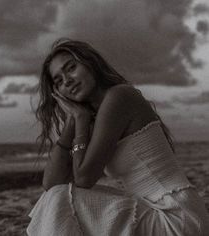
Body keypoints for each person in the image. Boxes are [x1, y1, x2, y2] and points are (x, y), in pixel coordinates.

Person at [27, 38, 209, 236]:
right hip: (155, 210)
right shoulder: (93, 119)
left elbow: (84, 178)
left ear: (91, 64)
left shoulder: (119, 97)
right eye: (59, 81)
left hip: (177, 215)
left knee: (62, 198)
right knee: (57, 195)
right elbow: (51, 184)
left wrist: (79, 119)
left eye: (71, 68)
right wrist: (73, 122)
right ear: (58, 93)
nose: (67, 80)